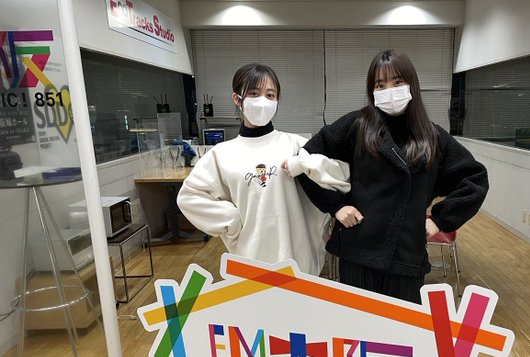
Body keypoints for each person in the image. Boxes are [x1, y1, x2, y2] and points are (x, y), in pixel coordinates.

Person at [285, 49, 488, 304]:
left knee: (402, 327)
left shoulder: (433, 136)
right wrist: (336, 206)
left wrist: (440, 219)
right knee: (358, 325)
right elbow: (303, 161)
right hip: (359, 250)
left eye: (397, 82)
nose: (389, 90)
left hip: (407, 255)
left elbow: (475, 179)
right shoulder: (357, 125)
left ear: (411, 85)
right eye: (380, 85)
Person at [177, 63, 349, 276]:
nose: (263, 101)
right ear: (237, 99)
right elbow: (189, 197)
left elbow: (340, 175)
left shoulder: (296, 145)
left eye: (270, 95)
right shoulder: (222, 154)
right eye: (254, 93)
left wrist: (307, 165)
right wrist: (231, 221)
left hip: (299, 259)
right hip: (250, 259)